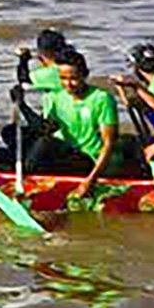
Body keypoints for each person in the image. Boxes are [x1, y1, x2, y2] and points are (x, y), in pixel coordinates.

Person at [26, 46, 120, 196]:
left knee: (44, 145)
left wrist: (91, 180)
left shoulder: (102, 99)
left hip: (88, 160)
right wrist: (22, 105)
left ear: (85, 75)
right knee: (18, 134)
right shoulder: (56, 97)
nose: (68, 84)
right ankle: (22, 178)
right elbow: (45, 129)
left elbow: (109, 143)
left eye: (73, 79)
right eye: (63, 79)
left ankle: (28, 183)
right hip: (67, 154)